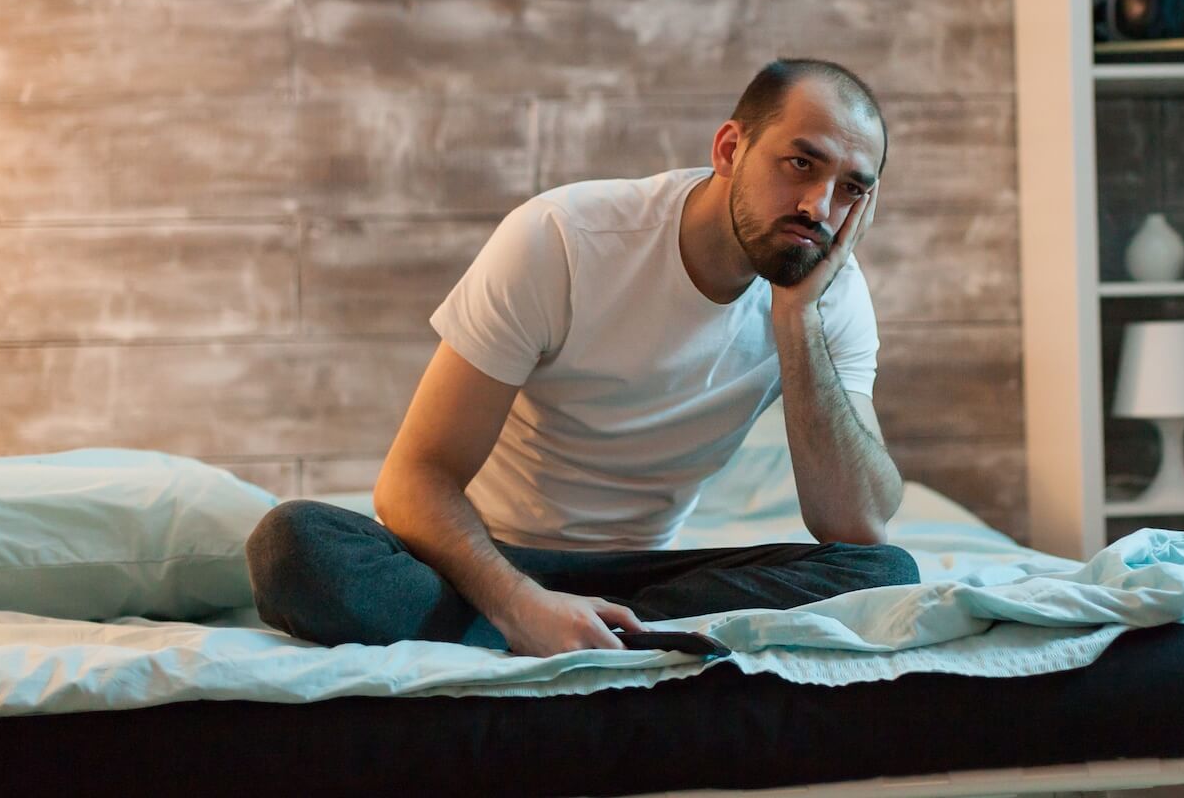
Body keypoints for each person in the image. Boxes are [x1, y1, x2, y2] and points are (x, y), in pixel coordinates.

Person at [246, 58, 919, 657]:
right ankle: (560, 629)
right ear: (728, 149)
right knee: (293, 545)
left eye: (852, 189)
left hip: (646, 576)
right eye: (801, 164)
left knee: (884, 574)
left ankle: (575, 629)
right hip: (483, 561)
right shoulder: (564, 238)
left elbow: (856, 526)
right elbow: (413, 480)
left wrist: (799, 320)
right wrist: (521, 603)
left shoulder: (827, 292)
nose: (818, 207)